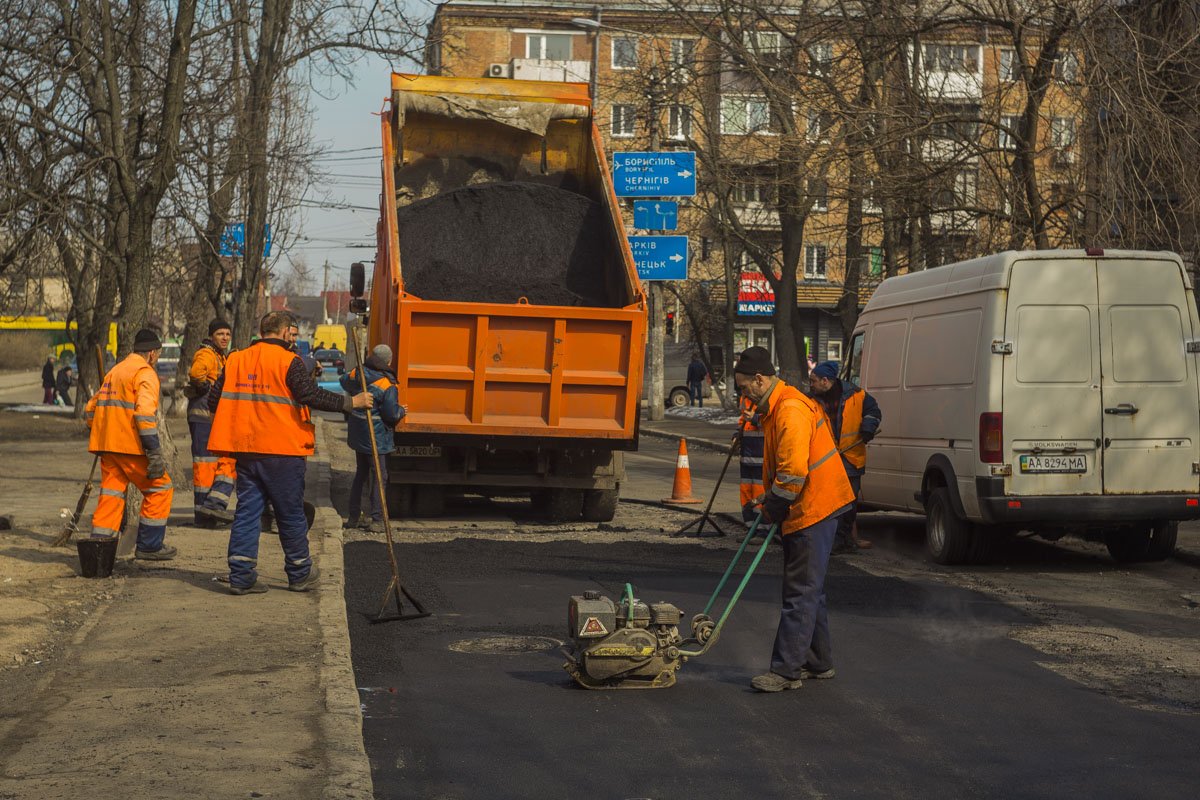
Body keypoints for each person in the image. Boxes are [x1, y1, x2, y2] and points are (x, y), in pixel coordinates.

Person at [208, 311, 373, 595]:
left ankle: (241, 575)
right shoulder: (289, 362)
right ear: (285, 332)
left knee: (248, 512)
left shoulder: (235, 359)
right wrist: (352, 402)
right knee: (290, 513)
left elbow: (214, 401)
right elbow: (311, 395)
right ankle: (299, 573)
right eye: (292, 333)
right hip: (282, 451)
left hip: (246, 451)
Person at [733, 346, 854, 692]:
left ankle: (786, 671)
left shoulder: (789, 410)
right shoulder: (776, 406)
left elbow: (793, 473)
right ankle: (818, 662)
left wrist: (774, 506)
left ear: (759, 379)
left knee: (800, 590)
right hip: (814, 501)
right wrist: (770, 500)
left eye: (744, 389)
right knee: (810, 589)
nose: (743, 396)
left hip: (815, 506)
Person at [84, 329, 176, 560]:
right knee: (160, 488)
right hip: (130, 447)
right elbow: (144, 415)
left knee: (112, 494)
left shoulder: (116, 371)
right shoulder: (145, 373)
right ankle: (149, 546)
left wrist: (105, 429)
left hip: (108, 447)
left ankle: (100, 548)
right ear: (153, 354)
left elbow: (89, 411)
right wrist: (154, 452)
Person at [808, 361, 882, 552]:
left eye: (813, 381)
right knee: (829, 502)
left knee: (848, 502)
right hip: (825, 459)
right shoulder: (811, 400)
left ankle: (844, 540)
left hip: (850, 458)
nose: (811, 385)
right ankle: (832, 541)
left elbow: (873, 412)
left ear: (826, 381)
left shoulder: (857, 396)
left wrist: (868, 428)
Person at [341, 344, 406, 532]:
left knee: (361, 474)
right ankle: (377, 519)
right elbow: (391, 415)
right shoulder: (386, 384)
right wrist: (402, 411)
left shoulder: (357, 373)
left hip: (358, 434)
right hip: (376, 436)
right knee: (380, 476)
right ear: (389, 361)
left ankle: (354, 516)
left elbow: (344, 380)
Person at [185, 319, 237, 526]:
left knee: (218, 462)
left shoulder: (219, 356)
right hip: (203, 418)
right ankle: (205, 514)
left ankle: (210, 508)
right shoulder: (207, 354)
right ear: (211, 336)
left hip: (210, 419)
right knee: (205, 466)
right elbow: (196, 373)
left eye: (227, 334)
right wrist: (206, 386)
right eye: (220, 334)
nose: (224, 338)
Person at [737, 390, 765, 529]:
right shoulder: (745, 397)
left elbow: (772, 422)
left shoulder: (767, 397)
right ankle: (749, 526)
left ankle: (762, 529)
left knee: (760, 493)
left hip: (761, 455)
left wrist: (755, 419)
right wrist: (738, 433)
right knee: (746, 491)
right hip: (747, 454)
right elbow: (742, 421)